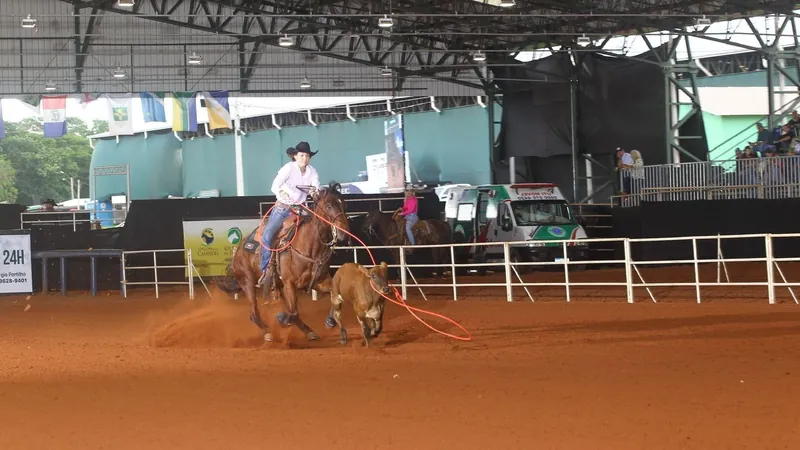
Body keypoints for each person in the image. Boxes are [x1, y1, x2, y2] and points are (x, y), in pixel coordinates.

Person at [257, 142, 321, 287]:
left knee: (315, 232)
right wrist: (283, 195)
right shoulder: (288, 168)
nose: (305, 158)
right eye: (302, 155)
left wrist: (316, 192)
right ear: (295, 156)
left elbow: (316, 187)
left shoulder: (312, 172)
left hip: (302, 208)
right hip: (283, 208)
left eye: (307, 156)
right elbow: (274, 186)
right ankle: (265, 269)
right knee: (267, 235)